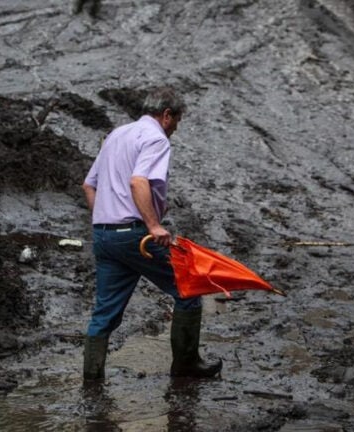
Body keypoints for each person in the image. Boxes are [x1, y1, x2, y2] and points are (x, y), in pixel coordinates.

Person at [81, 87, 222, 381]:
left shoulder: (117, 135)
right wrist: (154, 225)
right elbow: (138, 181)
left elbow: (88, 185)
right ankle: (186, 367)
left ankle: (91, 380)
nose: (175, 129)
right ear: (166, 115)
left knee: (104, 313)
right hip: (136, 236)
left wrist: (104, 219)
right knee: (188, 288)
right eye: (177, 121)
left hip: (105, 236)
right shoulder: (156, 138)